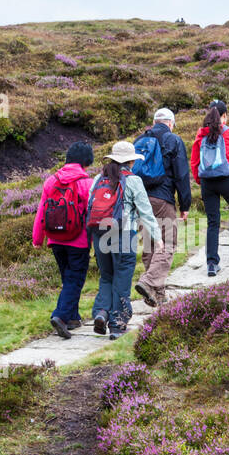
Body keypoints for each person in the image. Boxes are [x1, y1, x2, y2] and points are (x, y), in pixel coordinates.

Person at [88, 141, 161, 339]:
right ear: (130, 161)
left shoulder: (98, 179)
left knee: (106, 276)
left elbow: (89, 206)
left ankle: (101, 313)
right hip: (123, 235)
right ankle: (118, 325)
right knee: (122, 277)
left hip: (100, 233)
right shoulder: (133, 180)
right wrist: (157, 238)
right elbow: (146, 212)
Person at [32, 141, 93, 340]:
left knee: (68, 278)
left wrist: (37, 238)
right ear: (86, 161)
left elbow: (42, 210)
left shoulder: (51, 181)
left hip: (55, 239)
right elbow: (93, 213)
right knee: (75, 279)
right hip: (78, 240)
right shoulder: (86, 183)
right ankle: (61, 316)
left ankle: (74, 318)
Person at [131, 108, 191, 309]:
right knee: (168, 243)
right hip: (162, 200)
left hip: (140, 200)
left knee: (150, 246)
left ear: (154, 121)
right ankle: (148, 282)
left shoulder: (140, 140)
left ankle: (158, 294)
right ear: (171, 123)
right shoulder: (173, 140)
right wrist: (185, 205)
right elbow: (182, 175)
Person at [189, 101, 229, 276]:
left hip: (207, 182)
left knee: (212, 221)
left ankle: (211, 263)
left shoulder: (200, 135)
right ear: (223, 116)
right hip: (226, 179)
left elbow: (194, 162)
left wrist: (200, 180)